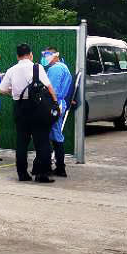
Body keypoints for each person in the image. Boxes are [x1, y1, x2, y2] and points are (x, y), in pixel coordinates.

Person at [0, 43, 58, 183]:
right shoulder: (37, 68)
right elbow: (49, 87)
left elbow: (1, 89)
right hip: (37, 108)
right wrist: (55, 103)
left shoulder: (11, 70)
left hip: (20, 108)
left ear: (17, 56)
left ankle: (22, 174)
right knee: (42, 141)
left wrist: (13, 93)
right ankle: (41, 174)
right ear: (31, 54)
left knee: (21, 142)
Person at [42, 47, 74, 178]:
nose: (44, 57)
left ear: (55, 55)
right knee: (55, 134)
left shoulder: (55, 69)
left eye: (46, 55)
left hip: (54, 104)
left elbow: (52, 89)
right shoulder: (63, 67)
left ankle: (56, 167)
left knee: (52, 134)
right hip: (59, 103)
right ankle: (60, 167)